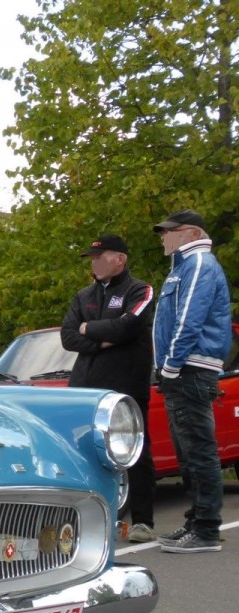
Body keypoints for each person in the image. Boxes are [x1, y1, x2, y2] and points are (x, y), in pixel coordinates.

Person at [59, 234, 156, 543]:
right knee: (82, 451)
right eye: (92, 258)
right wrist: (101, 340)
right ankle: (85, 520)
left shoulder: (139, 290)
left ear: (120, 259)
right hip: (85, 387)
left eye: (100, 257)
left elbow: (128, 326)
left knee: (134, 451)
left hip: (126, 385)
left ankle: (143, 521)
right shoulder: (83, 296)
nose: (95, 263)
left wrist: (88, 328)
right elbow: (67, 337)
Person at [152, 210, 232, 553]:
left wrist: (170, 366)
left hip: (191, 369)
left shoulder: (198, 263)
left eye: (170, 231)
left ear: (192, 233)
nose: (164, 237)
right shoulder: (184, 266)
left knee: (199, 452)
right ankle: (196, 522)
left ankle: (206, 531)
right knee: (189, 453)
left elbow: (189, 319)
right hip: (185, 370)